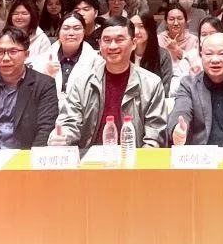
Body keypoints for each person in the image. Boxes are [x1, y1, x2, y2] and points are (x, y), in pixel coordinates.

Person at [57, 17, 167, 151]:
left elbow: (155, 136)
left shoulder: (151, 84)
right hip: (90, 159)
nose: (112, 46)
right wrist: (62, 137)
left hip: (134, 159)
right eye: (107, 40)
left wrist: (140, 161)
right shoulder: (82, 83)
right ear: (100, 44)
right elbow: (69, 123)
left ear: (133, 43)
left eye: (119, 40)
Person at [28, 12, 102, 97]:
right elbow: (31, 91)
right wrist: (45, 73)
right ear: (59, 31)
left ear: (84, 31)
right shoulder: (44, 58)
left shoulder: (96, 60)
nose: (71, 33)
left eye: (76, 28)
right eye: (66, 28)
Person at [159, 5, 202, 95]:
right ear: (166, 22)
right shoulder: (159, 39)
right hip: (163, 80)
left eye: (180, 19)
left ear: (186, 21)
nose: (175, 23)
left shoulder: (194, 39)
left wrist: (178, 50)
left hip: (188, 83)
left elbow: (196, 65)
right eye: (171, 19)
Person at [130, 13, 173, 93]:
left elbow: (165, 88)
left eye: (141, 26)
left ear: (150, 28)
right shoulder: (124, 53)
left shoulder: (163, 55)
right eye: (132, 26)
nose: (136, 31)